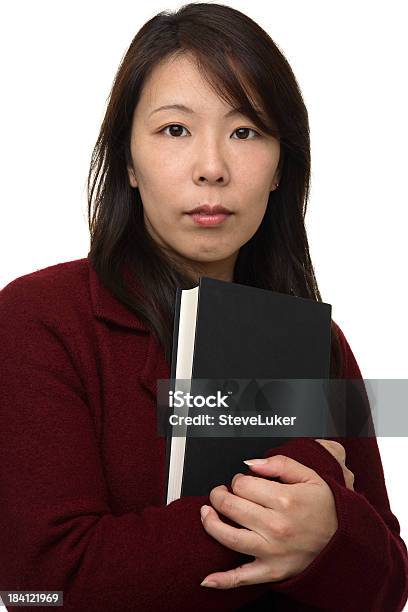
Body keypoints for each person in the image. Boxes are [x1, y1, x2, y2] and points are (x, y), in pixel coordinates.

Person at [0, 3, 407, 611]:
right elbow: (39, 589)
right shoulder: (38, 319)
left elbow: (389, 587)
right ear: (129, 163)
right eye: (174, 130)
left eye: (245, 132)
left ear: (278, 169)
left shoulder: (317, 342)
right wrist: (294, 494)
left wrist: (333, 536)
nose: (212, 168)